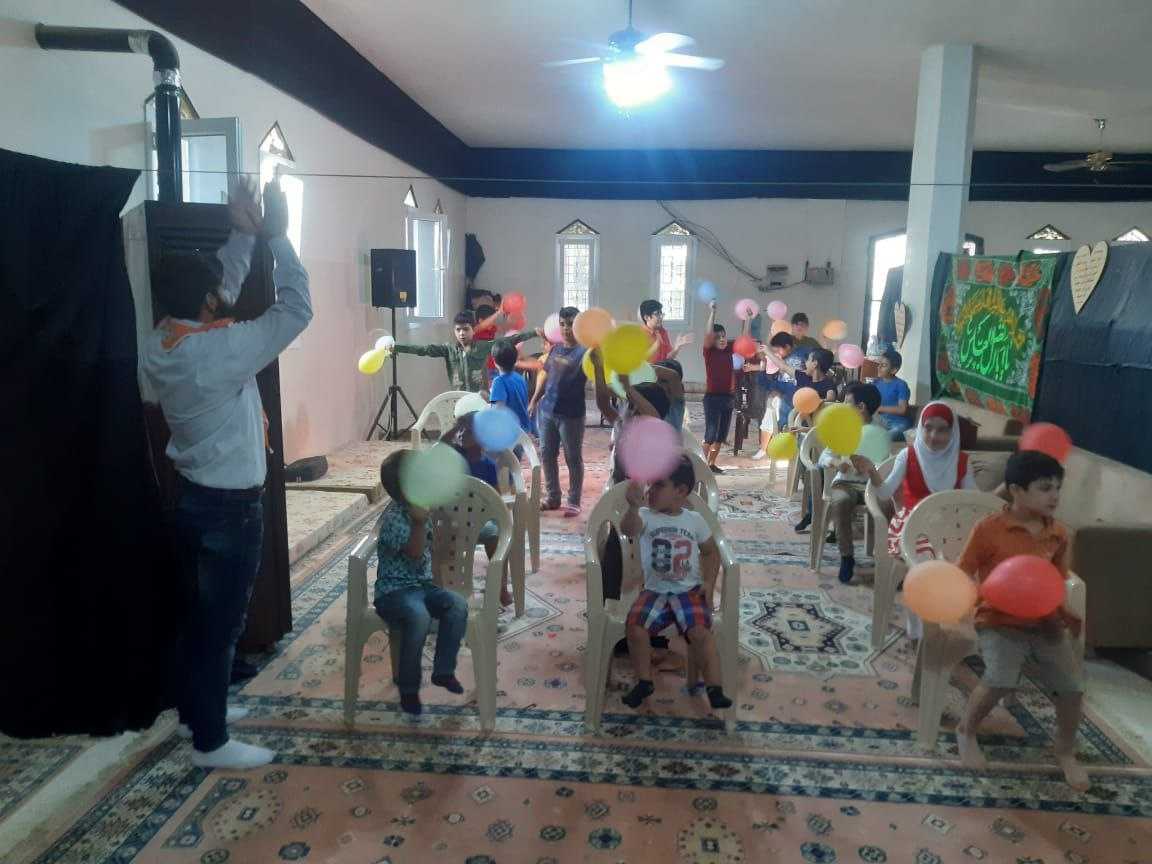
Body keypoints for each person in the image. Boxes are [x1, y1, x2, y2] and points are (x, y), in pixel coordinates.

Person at [143, 178, 309, 769]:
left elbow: (221, 292)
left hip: (191, 498)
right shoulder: (221, 349)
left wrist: (241, 234)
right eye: (215, 293)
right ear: (208, 304)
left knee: (197, 617)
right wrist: (278, 239)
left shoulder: (162, 342)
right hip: (229, 508)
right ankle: (210, 744)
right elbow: (296, 309)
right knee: (221, 624)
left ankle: (198, 712)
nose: (223, 295)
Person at [954, 451, 1087, 789]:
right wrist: (978, 597)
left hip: (1045, 623)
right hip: (998, 621)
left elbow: (1055, 580)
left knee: (1072, 689)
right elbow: (963, 572)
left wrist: (1063, 613)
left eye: (1057, 487)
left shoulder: (1057, 533)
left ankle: (1065, 750)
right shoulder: (989, 529)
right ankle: (966, 730)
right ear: (1016, 490)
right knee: (999, 679)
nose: (1054, 496)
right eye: (1044, 488)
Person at [618, 457, 733, 711]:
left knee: (701, 633)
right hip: (654, 592)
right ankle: (644, 681)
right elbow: (628, 529)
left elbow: (711, 552)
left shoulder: (694, 520)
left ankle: (714, 688)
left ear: (680, 491)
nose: (650, 490)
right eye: (650, 484)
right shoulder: (645, 516)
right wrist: (633, 507)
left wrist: (708, 582)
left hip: (687, 592)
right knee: (635, 628)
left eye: (659, 485)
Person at [373, 451, 469, 716]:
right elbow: (415, 553)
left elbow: (433, 549)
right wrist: (419, 522)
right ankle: (408, 688)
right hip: (393, 592)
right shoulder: (394, 518)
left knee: (457, 605)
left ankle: (443, 670)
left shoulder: (420, 509)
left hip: (422, 586)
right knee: (419, 617)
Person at [854, 401, 977, 558]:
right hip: (912, 524)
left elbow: (974, 498)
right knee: (927, 552)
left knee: (966, 551)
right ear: (920, 428)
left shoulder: (962, 461)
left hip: (950, 525)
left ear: (952, 432)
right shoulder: (907, 456)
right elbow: (885, 493)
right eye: (928, 428)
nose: (933, 436)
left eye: (942, 430)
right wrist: (872, 471)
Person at [818, 383, 882, 584]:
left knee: (889, 504)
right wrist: (836, 462)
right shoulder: (843, 428)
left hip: (872, 486)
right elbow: (823, 457)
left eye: (847, 402)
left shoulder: (880, 430)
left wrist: (872, 467)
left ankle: (886, 556)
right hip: (845, 484)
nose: (842, 406)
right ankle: (847, 556)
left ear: (861, 407)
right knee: (841, 501)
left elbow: (886, 462)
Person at [529, 307, 587, 517]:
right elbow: (545, 376)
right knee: (546, 454)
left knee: (573, 457)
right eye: (562, 324)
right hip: (547, 412)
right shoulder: (555, 349)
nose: (566, 328)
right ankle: (553, 497)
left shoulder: (585, 353)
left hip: (571, 415)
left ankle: (573, 501)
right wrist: (534, 400)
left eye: (570, 324)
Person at [393, 311, 540, 394]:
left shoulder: (483, 346)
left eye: (465, 329)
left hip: (480, 398)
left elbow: (510, 340)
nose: (462, 333)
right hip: (458, 399)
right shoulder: (448, 349)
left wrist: (534, 333)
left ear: (473, 330)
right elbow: (423, 350)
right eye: (458, 330)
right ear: (454, 331)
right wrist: (397, 347)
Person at [748, 332, 803, 458]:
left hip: (797, 399)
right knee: (771, 408)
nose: (776, 353)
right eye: (774, 351)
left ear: (787, 347)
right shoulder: (776, 359)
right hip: (782, 397)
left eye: (778, 350)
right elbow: (767, 381)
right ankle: (764, 448)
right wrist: (763, 361)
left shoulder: (801, 355)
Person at [701, 300, 738, 473]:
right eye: (718, 337)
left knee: (721, 435)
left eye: (723, 336)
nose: (722, 339)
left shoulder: (729, 350)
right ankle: (702, 465)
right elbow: (709, 334)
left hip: (728, 398)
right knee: (710, 434)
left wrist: (747, 320)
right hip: (712, 399)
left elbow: (744, 339)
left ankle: (711, 464)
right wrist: (713, 312)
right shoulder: (709, 352)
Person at [489, 343, 534, 437]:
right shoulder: (519, 378)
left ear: (494, 361)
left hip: (510, 433)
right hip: (525, 429)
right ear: (515, 360)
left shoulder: (499, 381)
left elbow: (497, 411)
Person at [873, 349, 912, 441]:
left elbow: (902, 409)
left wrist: (879, 408)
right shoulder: (876, 383)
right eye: (879, 364)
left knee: (895, 432)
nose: (879, 367)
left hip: (897, 423)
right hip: (880, 421)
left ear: (894, 370)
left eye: (883, 365)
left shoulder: (901, 384)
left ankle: (881, 439)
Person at [639, 299, 693, 363]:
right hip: (650, 369)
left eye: (661, 313)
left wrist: (677, 347)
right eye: (657, 314)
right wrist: (655, 346)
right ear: (646, 317)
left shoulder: (662, 332)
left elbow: (667, 359)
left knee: (676, 364)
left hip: (662, 368)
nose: (661, 317)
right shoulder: (640, 335)